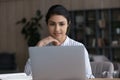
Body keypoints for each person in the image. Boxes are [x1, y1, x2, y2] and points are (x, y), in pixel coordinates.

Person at [24, 4, 94, 78]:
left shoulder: (78, 47)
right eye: (52, 24)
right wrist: (38, 47)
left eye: (61, 24)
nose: (57, 29)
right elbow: (27, 75)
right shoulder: (41, 48)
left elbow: (89, 76)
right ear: (47, 24)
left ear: (68, 24)